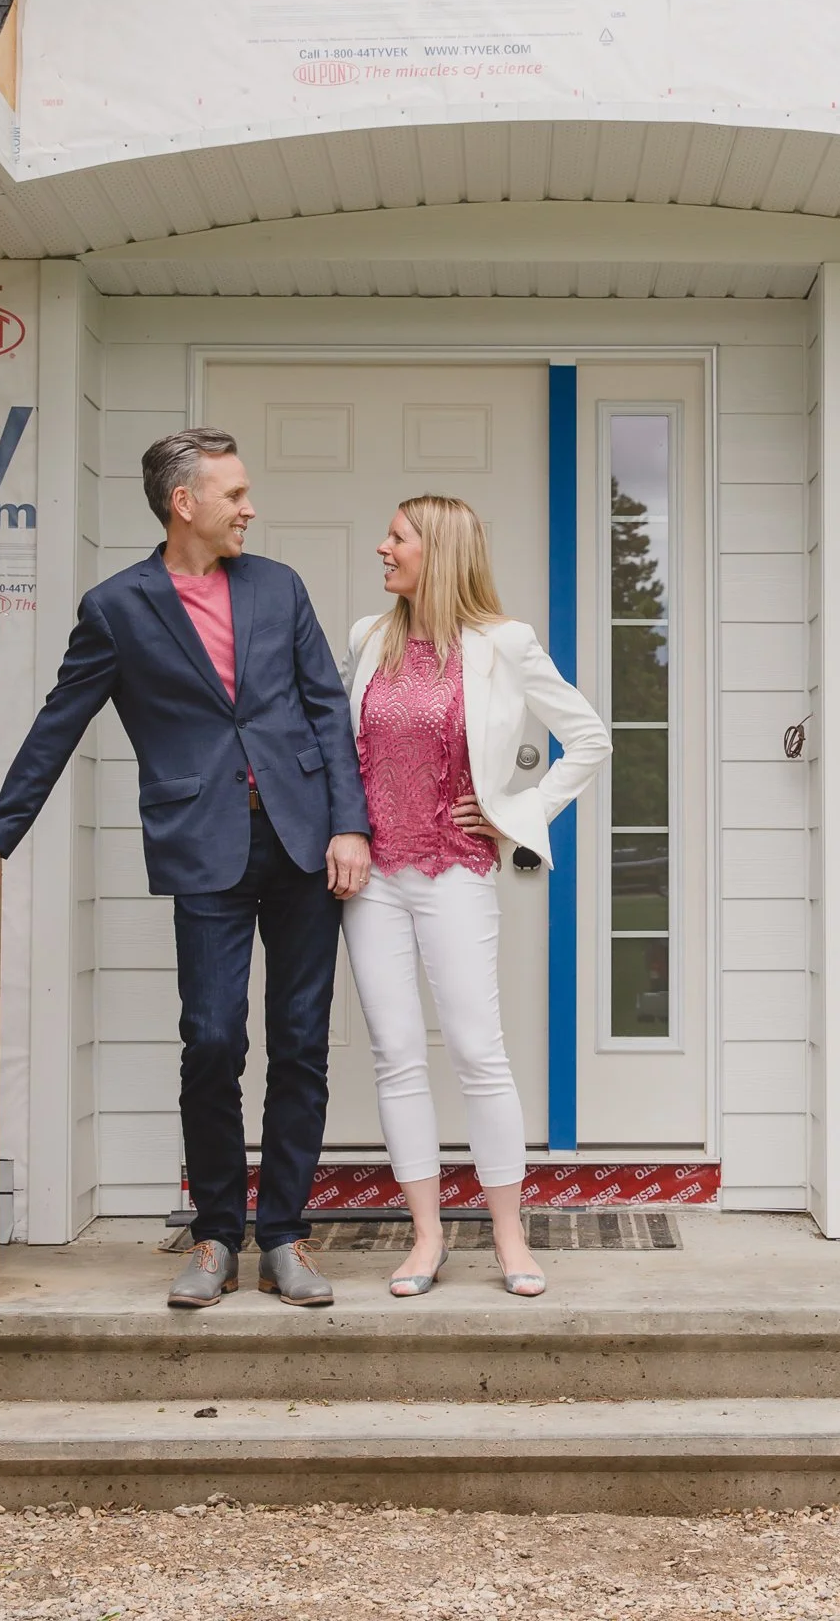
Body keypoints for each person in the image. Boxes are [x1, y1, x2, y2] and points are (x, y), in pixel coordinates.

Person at [0, 426, 371, 1312]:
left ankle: (284, 1235)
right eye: (235, 493)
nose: (250, 507)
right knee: (211, 1040)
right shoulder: (117, 608)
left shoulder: (279, 588)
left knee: (301, 1044)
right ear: (186, 503)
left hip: (301, 840)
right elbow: (59, 725)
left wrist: (349, 827)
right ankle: (216, 1232)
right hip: (203, 844)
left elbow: (327, 709)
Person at [342, 496, 610, 1299]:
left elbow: (589, 738)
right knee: (396, 1054)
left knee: (476, 1052)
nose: (382, 547)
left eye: (397, 537)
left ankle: (508, 1235)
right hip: (373, 881)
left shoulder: (504, 644)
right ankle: (425, 1238)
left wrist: (513, 815)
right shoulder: (366, 638)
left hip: (456, 870)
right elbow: (341, 748)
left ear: (439, 550)